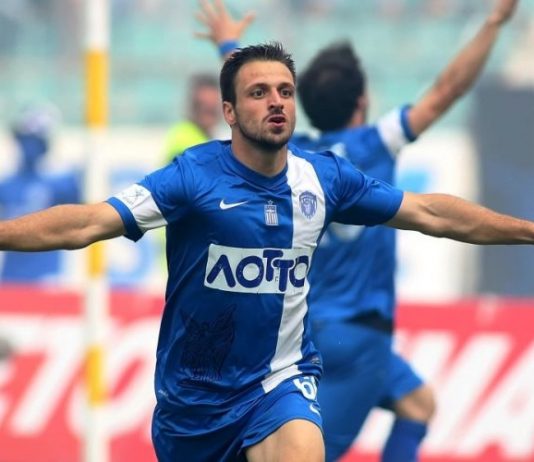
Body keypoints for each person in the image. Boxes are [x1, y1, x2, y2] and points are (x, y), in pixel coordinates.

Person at [1, 42, 534, 462]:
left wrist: (528, 230)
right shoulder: (191, 177)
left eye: (284, 91)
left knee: (303, 442)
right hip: (191, 405)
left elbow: (432, 214)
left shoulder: (324, 178)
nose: (276, 101)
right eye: (259, 93)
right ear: (229, 112)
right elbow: (89, 222)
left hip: (279, 383)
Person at [194, 0, 519, 460]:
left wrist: (229, 43)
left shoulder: (295, 155)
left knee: (417, 402)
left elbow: (250, 94)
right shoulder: (377, 143)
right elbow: (447, 89)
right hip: (359, 339)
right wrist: (494, 20)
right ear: (362, 102)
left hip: (308, 328)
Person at [0, 104, 81, 282]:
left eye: (35, 141)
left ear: (45, 145)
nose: (28, 147)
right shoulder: (5, 186)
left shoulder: (61, 185)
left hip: (47, 280)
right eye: (24, 140)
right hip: (10, 280)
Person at [163, 72, 223, 161]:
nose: (209, 112)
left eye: (213, 107)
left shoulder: (201, 138)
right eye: (203, 106)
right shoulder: (186, 140)